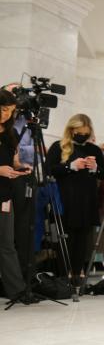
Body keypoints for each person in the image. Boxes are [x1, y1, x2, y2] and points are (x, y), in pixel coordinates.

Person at [45, 114, 104, 284]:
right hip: (65, 200)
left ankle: (78, 273)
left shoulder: (94, 149)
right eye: (79, 132)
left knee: (83, 239)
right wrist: (70, 166)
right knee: (66, 238)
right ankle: (64, 275)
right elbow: (48, 170)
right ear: (72, 130)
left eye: (86, 132)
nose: (83, 135)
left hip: (87, 200)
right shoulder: (58, 147)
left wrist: (95, 168)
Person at [0, 89, 32, 303]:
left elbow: (13, 162)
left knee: (6, 244)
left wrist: (21, 167)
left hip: (4, 195)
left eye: (10, 111)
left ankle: (16, 290)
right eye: (3, 109)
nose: (5, 115)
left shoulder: (9, 134)